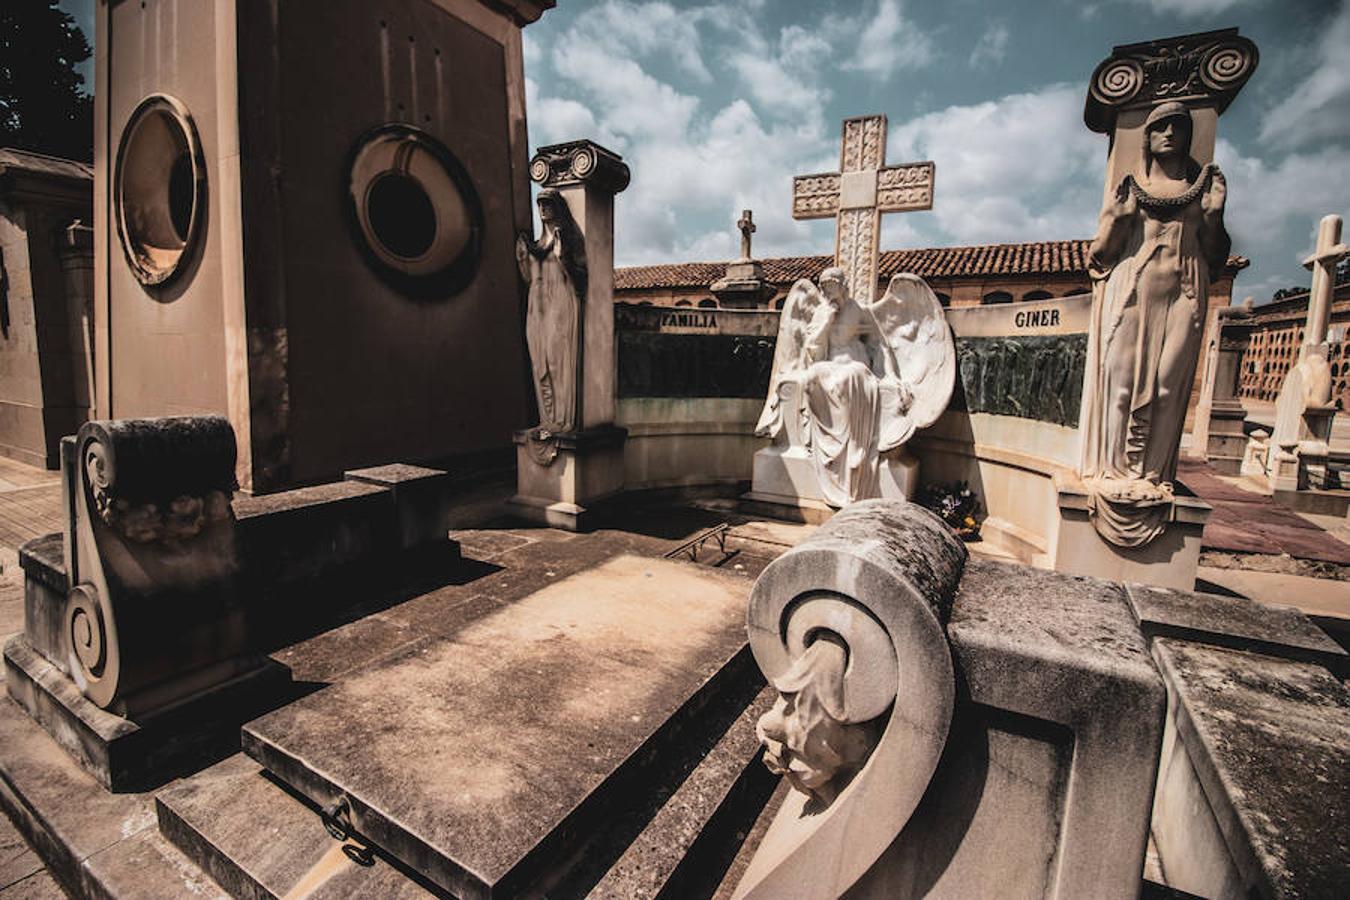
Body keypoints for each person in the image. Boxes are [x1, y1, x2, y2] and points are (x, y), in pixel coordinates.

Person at [1081, 101, 1230, 544]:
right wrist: (1117, 219)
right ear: (1145, 137)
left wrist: (1214, 217)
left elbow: (1217, 257)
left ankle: (1151, 473)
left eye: (1177, 126)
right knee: (1121, 384)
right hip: (1133, 289)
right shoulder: (1131, 189)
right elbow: (1100, 257)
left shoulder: (1205, 190)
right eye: (1159, 126)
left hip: (1183, 290)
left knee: (1167, 385)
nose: (1168, 133)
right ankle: (1113, 471)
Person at [516, 189, 587, 434]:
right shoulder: (534, 245)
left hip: (559, 305)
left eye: (547, 204)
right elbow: (528, 279)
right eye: (539, 204)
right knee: (539, 364)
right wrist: (524, 260)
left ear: (557, 207)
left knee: (558, 363)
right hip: (536, 307)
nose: (543, 209)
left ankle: (561, 420)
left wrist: (563, 257)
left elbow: (581, 282)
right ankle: (547, 420)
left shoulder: (566, 239)